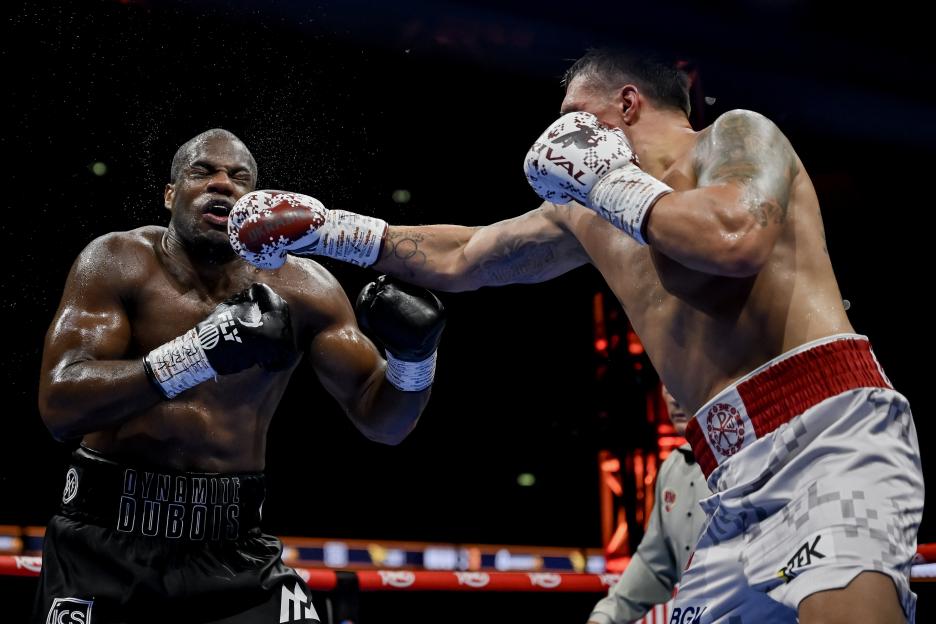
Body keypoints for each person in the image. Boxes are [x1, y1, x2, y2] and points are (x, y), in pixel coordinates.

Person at [228, 49, 924, 622]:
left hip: (830, 432)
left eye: (574, 120)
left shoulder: (736, 139)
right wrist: (329, 229)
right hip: (728, 474)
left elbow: (733, 238)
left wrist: (608, 180)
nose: (558, 142)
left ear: (627, 105)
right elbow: (464, 257)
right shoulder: (588, 214)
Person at [34, 128, 446, 624]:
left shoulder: (303, 287)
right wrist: (198, 354)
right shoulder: (117, 261)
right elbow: (60, 406)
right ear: (170, 194)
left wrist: (415, 357)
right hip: (105, 544)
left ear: (256, 200)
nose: (223, 184)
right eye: (202, 172)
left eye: (239, 177)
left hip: (235, 551)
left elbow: (385, 422)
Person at [588, 386, 708, 624]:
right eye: (666, 386)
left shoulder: (751, 459)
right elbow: (654, 563)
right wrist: (604, 617)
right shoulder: (673, 468)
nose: (673, 398)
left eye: (678, 382)